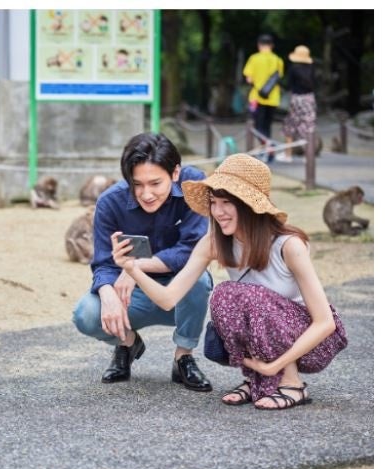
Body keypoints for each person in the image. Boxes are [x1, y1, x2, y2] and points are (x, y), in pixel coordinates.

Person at [110, 153, 347, 409]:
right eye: (213, 202)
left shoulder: (288, 246)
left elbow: (325, 323)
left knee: (245, 295)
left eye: (226, 203)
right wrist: (132, 269)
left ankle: (291, 383)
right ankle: (256, 380)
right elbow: (168, 299)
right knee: (225, 294)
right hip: (269, 338)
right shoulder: (214, 242)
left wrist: (275, 366)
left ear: (249, 204)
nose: (217, 211)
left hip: (311, 343)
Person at [70, 133, 213, 392]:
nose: (146, 194)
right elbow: (103, 263)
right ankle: (127, 343)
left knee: (199, 280)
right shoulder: (110, 202)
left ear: (175, 172)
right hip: (131, 295)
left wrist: (136, 268)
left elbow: (191, 251)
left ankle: (183, 357)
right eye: (137, 184)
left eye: (155, 183)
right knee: (86, 313)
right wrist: (108, 295)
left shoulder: (195, 185)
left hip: (178, 293)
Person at [243, 34, 286, 163]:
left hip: (257, 98)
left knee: (257, 126)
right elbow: (279, 77)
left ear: (259, 45)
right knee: (267, 125)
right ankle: (268, 151)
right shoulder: (278, 60)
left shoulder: (254, 58)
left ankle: (268, 148)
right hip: (273, 98)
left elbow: (249, 78)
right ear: (272, 45)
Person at [280, 45, 318, 163]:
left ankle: (288, 155)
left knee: (290, 125)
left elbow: (288, 85)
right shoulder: (312, 69)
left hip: (296, 99)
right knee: (308, 126)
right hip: (310, 99)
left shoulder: (293, 69)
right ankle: (308, 155)